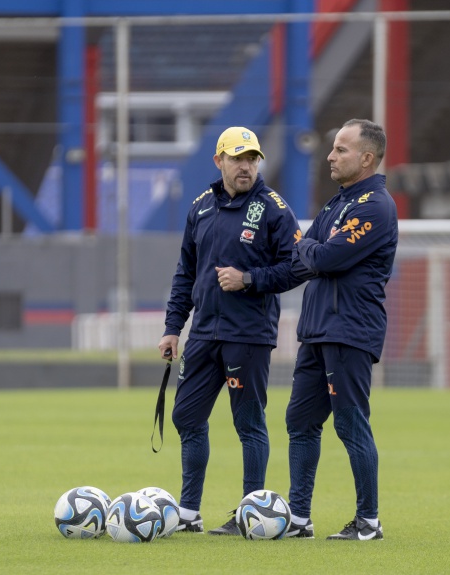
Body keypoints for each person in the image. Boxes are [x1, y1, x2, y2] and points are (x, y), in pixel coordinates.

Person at [158, 126, 301, 535]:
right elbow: (186, 272)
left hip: (248, 334)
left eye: (252, 158)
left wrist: (248, 279)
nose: (246, 166)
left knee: (248, 424)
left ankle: (250, 515)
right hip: (204, 333)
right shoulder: (200, 207)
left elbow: (298, 266)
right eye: (238, 158)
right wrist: (173, 328)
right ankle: (189, 513)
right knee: (186, 417)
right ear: (218, 160)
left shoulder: (274, 208)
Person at [284, 119, 398, 541]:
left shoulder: (376, 206)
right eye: (333, 148)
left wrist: (306, 246)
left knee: (350, 424)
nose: (330, 156)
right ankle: (299, 519)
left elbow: (324, 258)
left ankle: (369, 521)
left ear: (366, 158)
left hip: (349, 330)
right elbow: (301, 261)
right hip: (317, 330)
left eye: (341, 149)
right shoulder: (337, 204)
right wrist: (251, 280)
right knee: (299, 422)